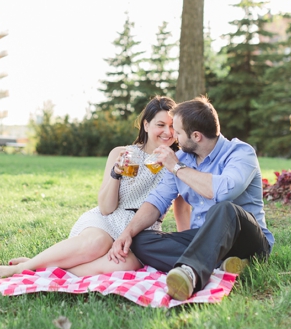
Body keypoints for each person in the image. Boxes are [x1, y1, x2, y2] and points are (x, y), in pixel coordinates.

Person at [0, 96, 178, 280]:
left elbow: (182, 211)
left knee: (124, 264)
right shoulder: (122, 154)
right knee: (97, 244)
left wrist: (189, 250)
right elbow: (106, 208)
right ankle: (24, 268)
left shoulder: (178, 164)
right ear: (146, 125)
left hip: (143, 233)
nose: (167, 132)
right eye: (160, 125)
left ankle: (39, 267)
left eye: (172, 126)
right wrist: (115, 174)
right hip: (109, 221)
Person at [108, 97, 272, 301]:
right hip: (204, 238)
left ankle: (190, 273)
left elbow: (223, 192)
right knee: (140, 239)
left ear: (196, 136)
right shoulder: (183, 159)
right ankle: (223, 265)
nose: (173, 136)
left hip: (248, 240)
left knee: (224, 209)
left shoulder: (240, 153)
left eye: (177, 132)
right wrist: (128, 232)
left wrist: (176, 168)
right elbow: (157, 201)